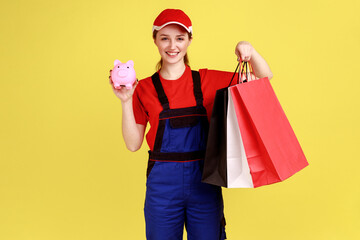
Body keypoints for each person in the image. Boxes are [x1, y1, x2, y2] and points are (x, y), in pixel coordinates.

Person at [109, 9, 273, 240]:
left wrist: (250, 50)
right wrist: (126, 101)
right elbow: (133, 144)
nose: (172, 45)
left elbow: (263, 79)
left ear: (189, 40)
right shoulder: (142, 89)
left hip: (204, 182)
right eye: (164, 38)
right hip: (162, 188)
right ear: (155, 40)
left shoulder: (207, 80)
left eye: (180, 38)